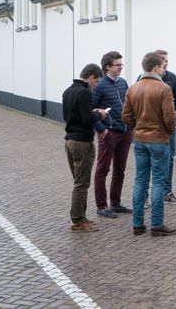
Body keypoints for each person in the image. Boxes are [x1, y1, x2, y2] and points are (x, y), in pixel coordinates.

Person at [122, 51, 176, 236]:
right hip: (159, 140)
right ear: (156, 67)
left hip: (140, 139)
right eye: (162, 66)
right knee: (158, 182)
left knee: (140, 180)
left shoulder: (133, 88)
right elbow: (169, 117)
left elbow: (126, 116)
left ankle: (138, 224)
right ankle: (156, 224)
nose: (164, 69)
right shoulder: (163, 89)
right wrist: (169, 131)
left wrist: (137, 127)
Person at [63, 63, 107, 232]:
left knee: (80, 182)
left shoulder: (68, 91)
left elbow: (69, 116)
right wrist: (99, 114)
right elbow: (87, 119)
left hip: (69, 141)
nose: (95, 85)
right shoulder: (84, 92)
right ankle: (77, 221)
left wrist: (89, 112)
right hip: (82, 142)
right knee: (81, 183)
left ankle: (81, 216)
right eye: (96, 81)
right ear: (90, 78)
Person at [91, 50, 133, 219]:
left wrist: (131, 124)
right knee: (102, 169)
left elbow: (129, 104)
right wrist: (102, 129)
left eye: (121, 64)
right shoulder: (100, 86)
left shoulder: (123, 83)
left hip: (125, 132)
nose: (120, 67)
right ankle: (102, 206)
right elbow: (90, 111)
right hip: (109, 133)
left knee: (120, 169)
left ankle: (115, 203)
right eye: (117, 65)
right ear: (107, 67)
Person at [154, 49, 176, 206]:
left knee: (169, 158)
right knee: (150, 160)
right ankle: (147, 194)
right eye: (163, 60)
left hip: (169, 127)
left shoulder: (172, 77)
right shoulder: (143, 79)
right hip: (151, 127)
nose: (166, 63)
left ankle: (167, 192)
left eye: (167, 60)